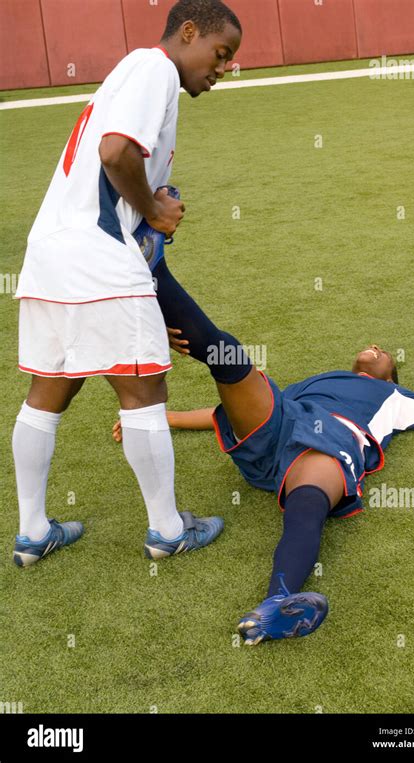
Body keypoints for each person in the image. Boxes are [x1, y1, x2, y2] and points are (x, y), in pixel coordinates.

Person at [114, 256, 414, 645]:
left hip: (330, 444)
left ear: (391, 373)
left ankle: (275, 604)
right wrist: (167, 417)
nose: (373, 347)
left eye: (382, 350)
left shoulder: (398, 397)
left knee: (309, 506)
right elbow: (245, 405)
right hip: (281, 424)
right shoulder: (315, 382)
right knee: (227, 355)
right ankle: (153, 269)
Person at [12, 0, 242, 567]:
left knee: (48, 391)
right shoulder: (154, 67)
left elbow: (113, 170)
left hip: (50, 254)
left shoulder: (131, 76)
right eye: (221, 53)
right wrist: (156, 213)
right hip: (99, 259)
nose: (223, 67)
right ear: (188, 32)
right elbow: (115, 153)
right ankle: (167, 530)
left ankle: (32, 530)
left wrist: (150, 206)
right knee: (143, 390)